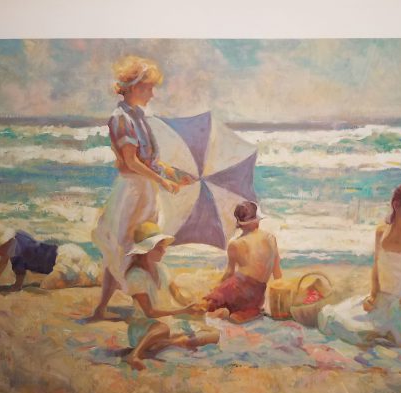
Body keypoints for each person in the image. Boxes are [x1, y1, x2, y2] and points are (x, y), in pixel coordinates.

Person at [91, 55, 192, 320]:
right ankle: (102, 308)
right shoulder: (120, 118)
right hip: (131, 193)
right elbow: (131, 161)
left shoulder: (138, 117)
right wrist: (161, 181)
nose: (153, 93)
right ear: (134, 88)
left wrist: (174, 173)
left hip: (145, 191)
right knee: (121, 249)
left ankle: (138, 302)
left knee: (143, 246)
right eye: (148, 87)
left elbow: (150, 160)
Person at [318, 183, 401, 347]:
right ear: (396, 206)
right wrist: (372, 296)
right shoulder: (381, 232)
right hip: (382, 301)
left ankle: (387, 332)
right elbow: (377, 266)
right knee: (331, 317)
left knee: (390, 335)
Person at [118, 222, 219, 370]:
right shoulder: (136, 275)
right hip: (145, 328)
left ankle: (170, 343)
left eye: (163, 247)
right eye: (159, 248)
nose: (164, 252)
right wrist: (183, 311)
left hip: (166, 322)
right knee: (163, 328)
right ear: (147, 250)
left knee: (214, 334)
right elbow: (150, 312)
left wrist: (193, 304)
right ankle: (134, 354)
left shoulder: (163, 269)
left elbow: (177, 294)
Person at [202, 201, 282, 323]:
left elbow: (229, 273)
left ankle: (223, 311)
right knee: (243, 306)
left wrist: (215, 288)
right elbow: (277, 273)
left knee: (208, 302)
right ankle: (240, 312)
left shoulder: (236, 243)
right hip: (257, 295)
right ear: (257, 219)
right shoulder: (271, 238)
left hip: (238, 287)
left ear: (240, 223)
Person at [0, 223, 99, 293]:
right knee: (90, 272)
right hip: (67, 250)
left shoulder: (17, 253)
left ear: (3, 243)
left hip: (64, 260)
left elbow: (17, 284)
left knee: (48, 286)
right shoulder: (18, 237)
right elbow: (3, 263)